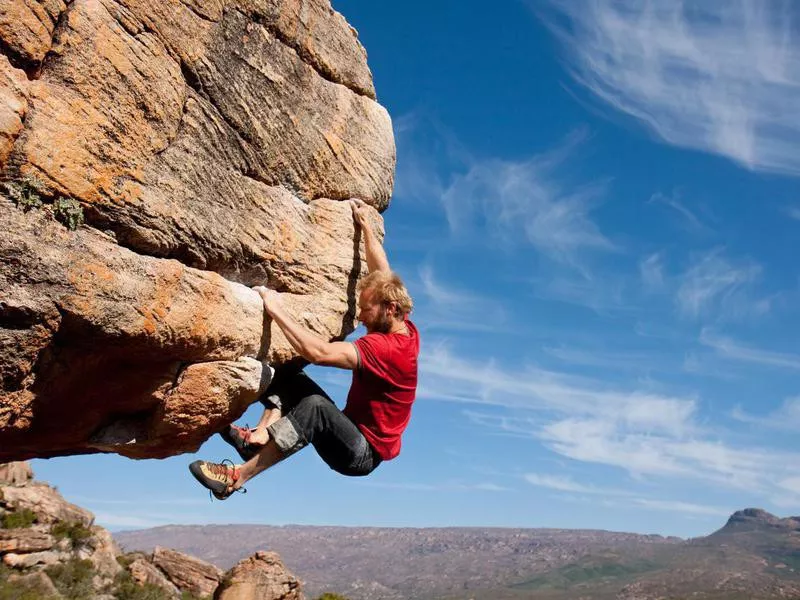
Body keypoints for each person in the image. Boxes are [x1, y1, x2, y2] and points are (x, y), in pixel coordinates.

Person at [189, 199, 420, 500]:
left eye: (366, 310)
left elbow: (320, 354)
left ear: (389, 310)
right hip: (351, 428)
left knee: (316, 408)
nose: (360, 316)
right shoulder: (403, 323)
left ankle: (236, 477)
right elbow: (382, 271)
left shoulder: (387, 349)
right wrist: (365, 226)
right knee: (285, 375)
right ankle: (256, 437)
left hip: (361, 454)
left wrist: (277, 310)